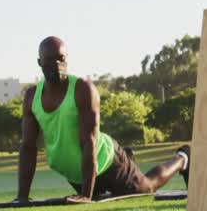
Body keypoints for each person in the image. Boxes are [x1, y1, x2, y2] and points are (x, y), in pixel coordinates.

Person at [15, 37, 188, 203]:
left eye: (61, 59)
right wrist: (22, 197)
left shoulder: (82, 90)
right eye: (49, 59)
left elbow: (89, 142)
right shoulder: (32, 97)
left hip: (106, 162)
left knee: (147, 186)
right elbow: (28, 147)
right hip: (78, 174)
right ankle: (127, 157)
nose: (56, 65)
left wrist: (86, 196)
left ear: (67, 59)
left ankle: (182, 158)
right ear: (40, 63)